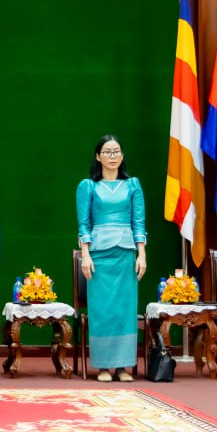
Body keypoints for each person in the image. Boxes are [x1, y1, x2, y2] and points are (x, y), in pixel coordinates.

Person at [76, 135, 146, 382]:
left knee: (125, 311)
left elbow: (138, 221)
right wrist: (85, 255)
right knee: (103, 310)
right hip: (98, 255)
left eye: (116, 151)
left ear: (122, 155)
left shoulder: (132, 185)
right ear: (98, 157)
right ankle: (104, 367)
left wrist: (142, 254)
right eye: (107, 152)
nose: (112, 156)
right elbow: (84, 224)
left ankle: (123, 367)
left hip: (126, 253)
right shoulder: (88, 186)